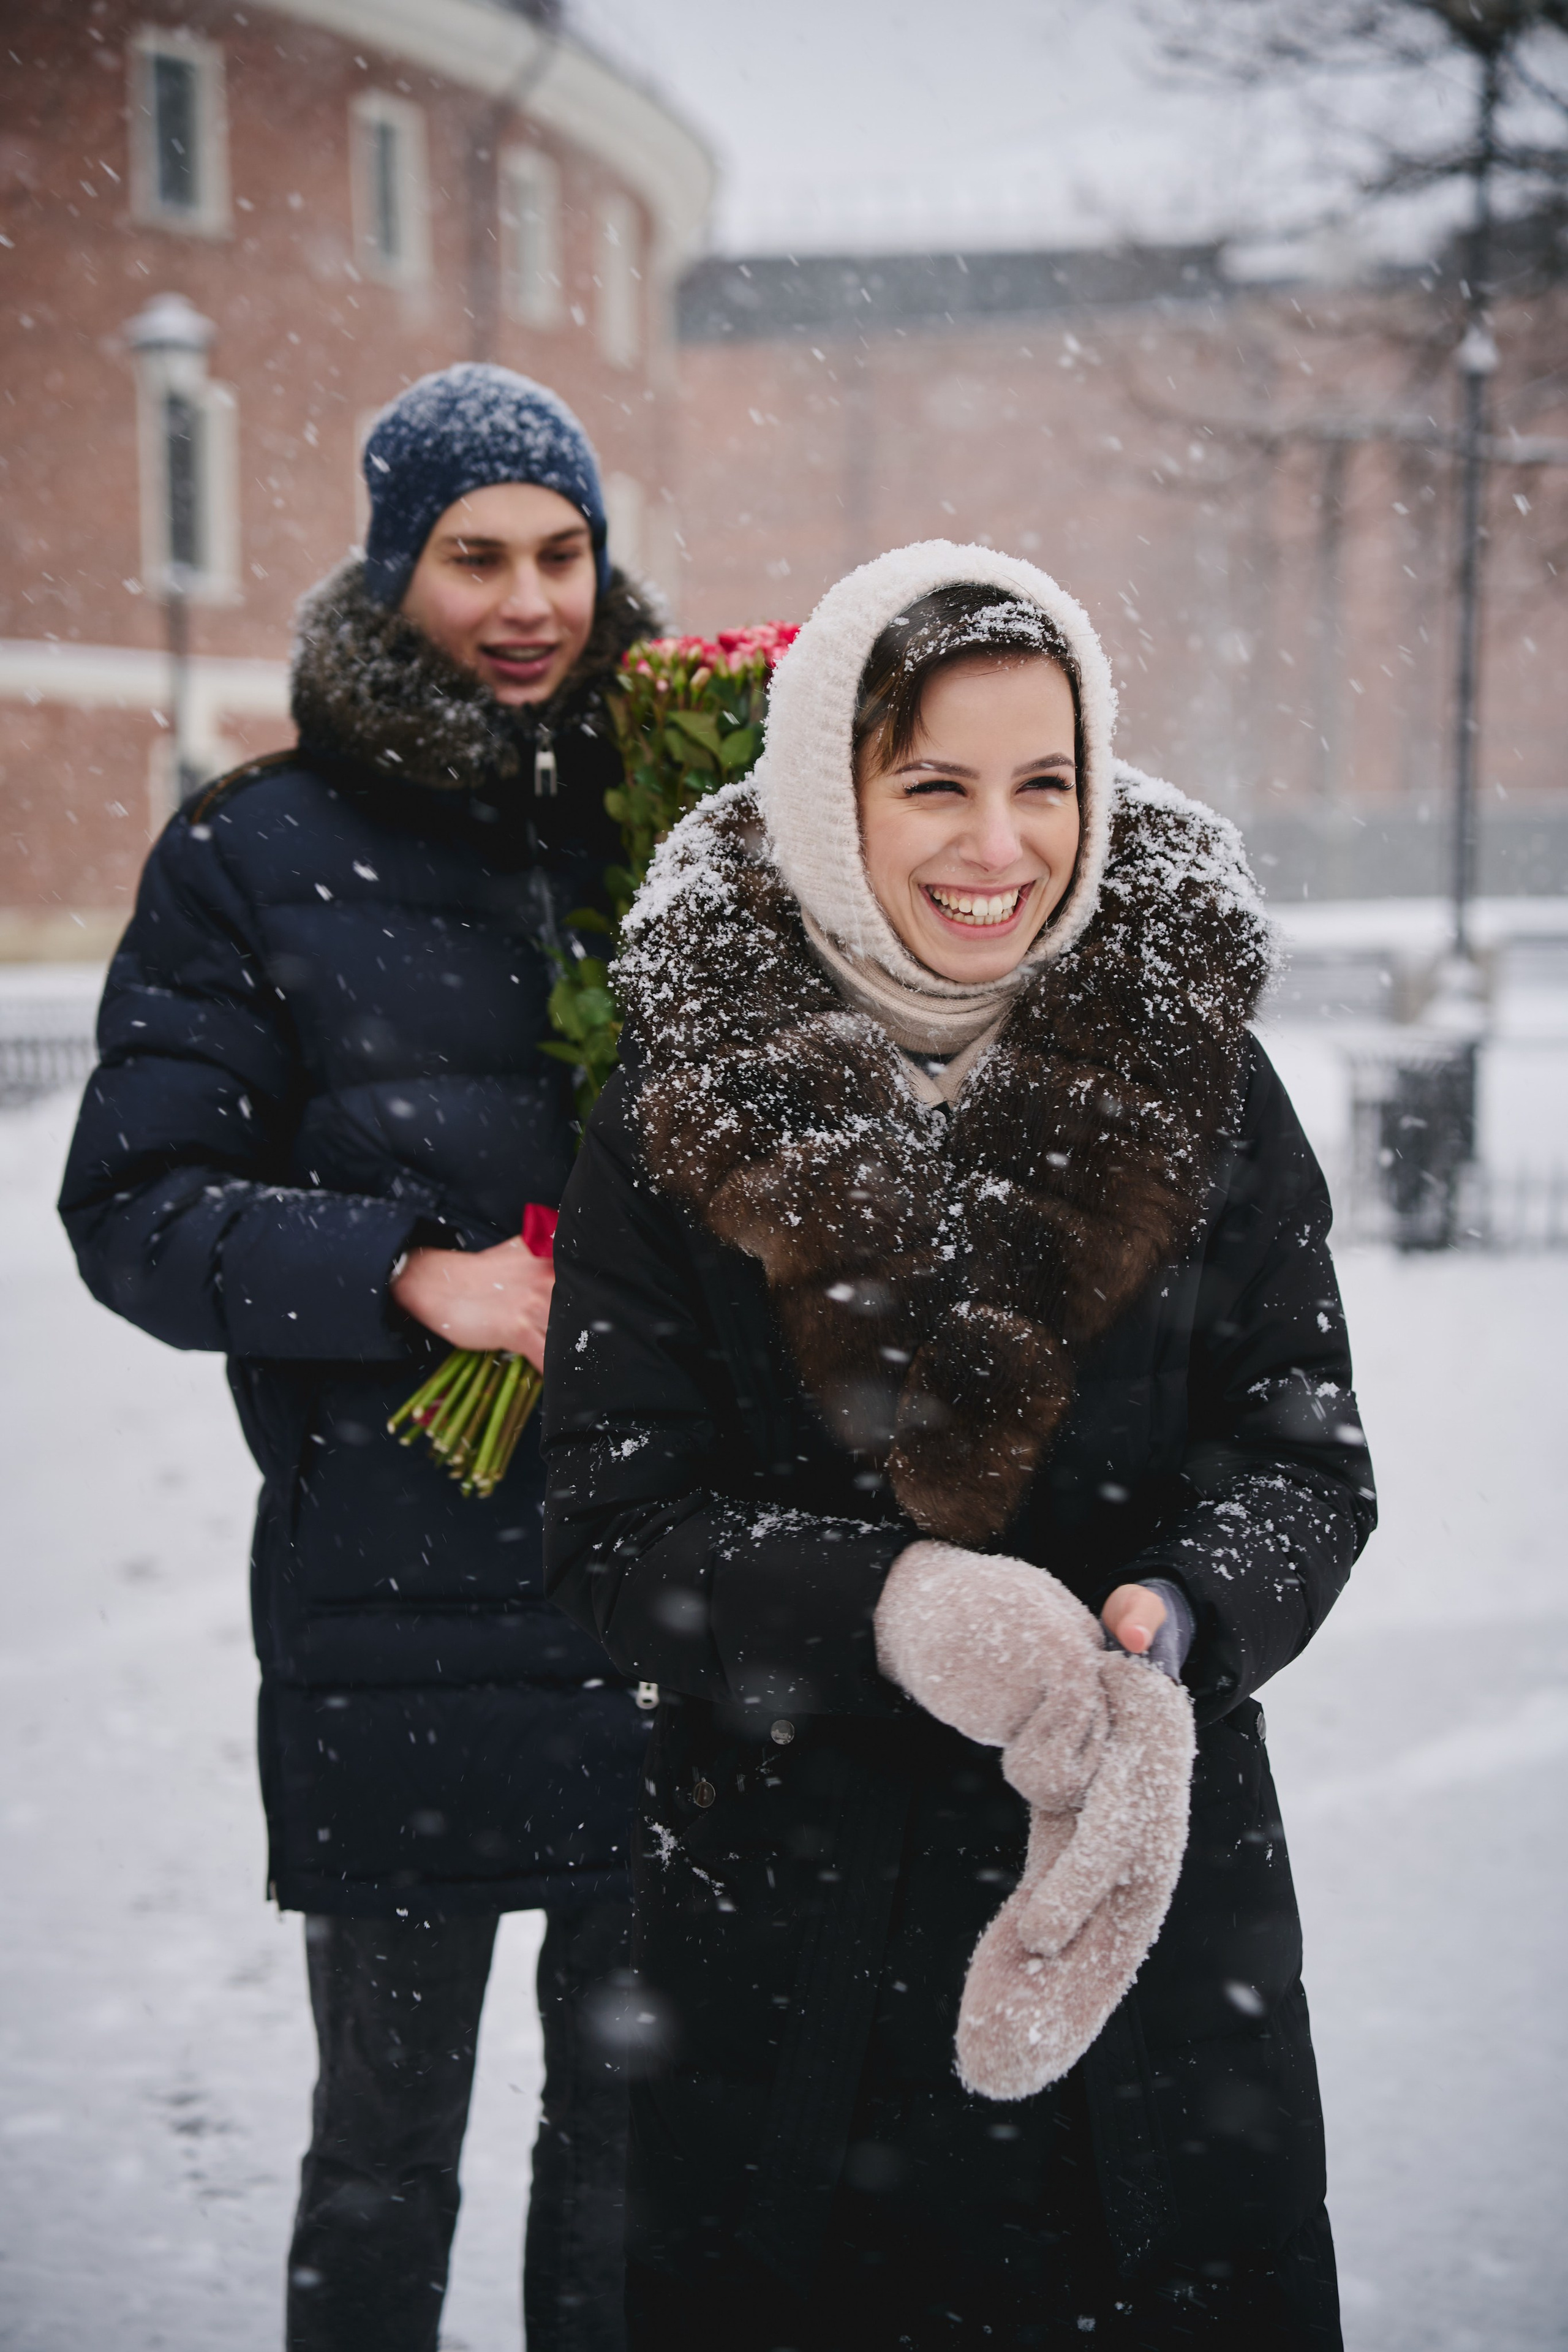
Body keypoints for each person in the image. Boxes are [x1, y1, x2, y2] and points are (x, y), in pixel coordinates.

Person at [540, 541, 1378, 2350]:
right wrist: (892, 1610)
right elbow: (611, 1527)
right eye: (934, 784)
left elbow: (1303, 1452)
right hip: (786, 1953)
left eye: (1044, 782)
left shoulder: (1203, 1084)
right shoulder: (674, 1113)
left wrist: (1181, 1608)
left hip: (1147, 1929)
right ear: (827, 797)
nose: (1001, 846)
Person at [60, 364, 657, 2352]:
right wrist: (412, 1275)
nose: (529, 600)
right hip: (399, 1608)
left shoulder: (683, 825)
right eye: (475, 556)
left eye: (562, 553)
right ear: (394, 567)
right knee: (389, 2149)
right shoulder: (255, 851)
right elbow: (137, 1209)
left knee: (636, 2152)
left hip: (666, 1588)